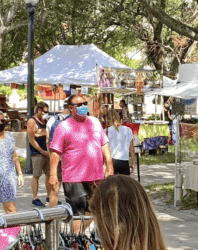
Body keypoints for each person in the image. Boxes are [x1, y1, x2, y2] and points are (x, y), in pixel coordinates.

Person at [49, 94, 113, 232]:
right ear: (71, 108)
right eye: (79, 105)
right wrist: (53, 174)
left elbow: (104, 143)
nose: (83, 107)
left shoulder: (95, 122)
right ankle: (75, 246)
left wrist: (109, 164)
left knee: (93, 211)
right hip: (74, 178)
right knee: (78, 215)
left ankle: (77, 237)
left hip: (96, 177)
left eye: (84, 103)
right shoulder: (63, 126)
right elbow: (55, 152)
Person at [27, 101, 51, 207]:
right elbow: (31, 139)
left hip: (47, 152)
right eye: (45, 111)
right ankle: (35, 198)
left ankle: (49, 196)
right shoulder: (32, 122)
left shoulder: (46, 121)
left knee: (49, 175)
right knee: (36, 175)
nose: (46, 113)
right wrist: (42, 151)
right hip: (37, 153)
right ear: (39, 110)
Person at [106, 110, 135, 175]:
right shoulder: (128, 130)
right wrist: (133, 162)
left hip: (112, 160)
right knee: (125, 183)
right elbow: (132, 149)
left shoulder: (108, 130)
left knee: (113, 184)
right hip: (124, 160)